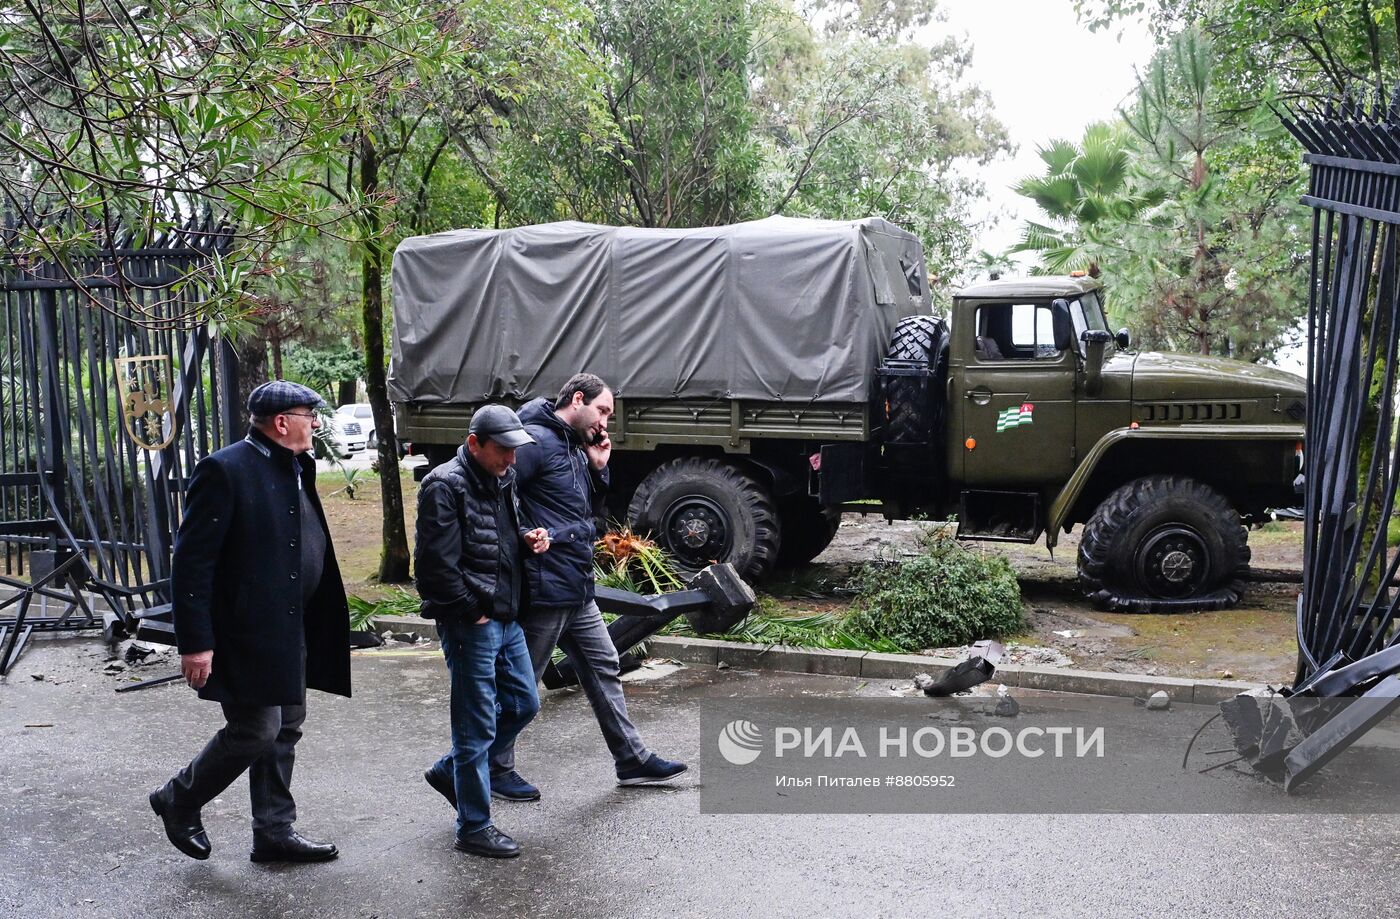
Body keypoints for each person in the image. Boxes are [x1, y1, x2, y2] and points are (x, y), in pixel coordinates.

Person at [150, 380, 351, 864]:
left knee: (287, 727)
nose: (317, 422)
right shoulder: (224, 469)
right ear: (282, 423)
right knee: (256, 730)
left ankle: (274, 832)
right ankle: (179, 798)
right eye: (311, 414)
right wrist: (195, 643)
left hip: (291, 625)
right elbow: (192, 563)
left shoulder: (296, 464)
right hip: (245, 633)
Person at [488, 373, 687, 801]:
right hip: (545, 588)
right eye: (602, 411)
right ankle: (491, 767)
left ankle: (631, 759)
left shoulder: (574, 445)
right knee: (522, 686)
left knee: (603, 667)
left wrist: (598, 469)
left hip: (577, 587)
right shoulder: (536, 442)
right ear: (578, 399)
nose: (605, 422)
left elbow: (584, 512)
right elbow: (497, 493)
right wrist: (526, 535)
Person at [415, 405, 550, 858]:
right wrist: (470, 611)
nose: (511, 459)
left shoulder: (501, 478)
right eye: (503, 450)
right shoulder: (443, 485)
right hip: (473, 620)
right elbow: (434, 566)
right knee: (474, 726)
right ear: (475, 444)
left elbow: (498, 537)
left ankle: (448, 772)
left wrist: (528, 537)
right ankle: (473, 826)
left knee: (523, 704)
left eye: (515, 450)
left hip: (507, 614)